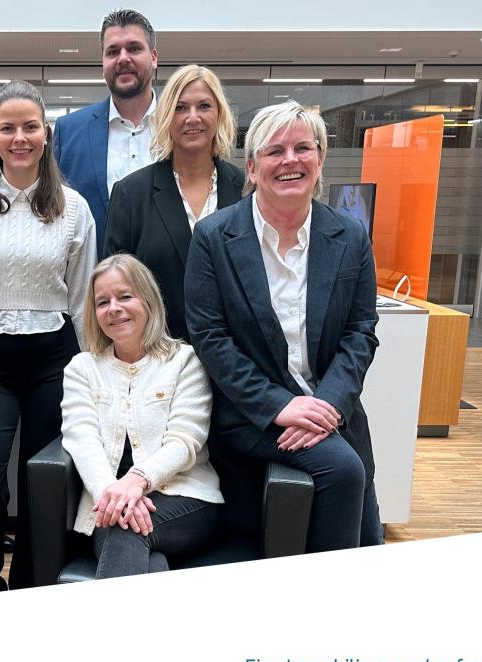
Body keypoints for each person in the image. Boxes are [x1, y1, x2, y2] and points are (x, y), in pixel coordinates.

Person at [186, 100, 383, 552]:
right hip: (252, 414)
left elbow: (361, 332)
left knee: (369, 539)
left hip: (333, 410)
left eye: (302, 148)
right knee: (343, 471)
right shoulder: (214, 237)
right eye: (275, 151)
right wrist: (281, 405)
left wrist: (327, 405)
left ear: (320, 160)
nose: (290, 160)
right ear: (252, 168)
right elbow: (211, 339)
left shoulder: (350, 236)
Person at [0, 80, 96, 590]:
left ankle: (34, 584)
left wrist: (95, 371)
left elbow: (83, 301)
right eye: (8, 128)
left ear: (46, 134)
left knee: (45, 477)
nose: (20, 138)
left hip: (56, 357)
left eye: (30, 127)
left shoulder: (74, 208)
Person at [62, 254, 223, 578]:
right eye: (102, 302)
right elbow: (82, 440)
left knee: (127, 529)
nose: (114, 308)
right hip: (108, 502)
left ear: (148, 300)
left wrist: (136, 483)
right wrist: (113, 493)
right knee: (139, 546)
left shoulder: (185, 361)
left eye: (125, 296)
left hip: (185, 497)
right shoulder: (82, 368)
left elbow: (185, 441)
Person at [104, 64, 244, 340]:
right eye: (180, 108)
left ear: (219, 114)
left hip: (234, 354)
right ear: (166, 116)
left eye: (204, 106)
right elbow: (114, 287)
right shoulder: (131, 194)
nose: (193, 117)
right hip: (156, 352)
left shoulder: (246, 189)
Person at [53, 8, 158, 249]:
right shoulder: (69, 132)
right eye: (112, 51)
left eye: (134, 48)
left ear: (153, 57)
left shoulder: (177, 126)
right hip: (91, 270)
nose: (123, 59)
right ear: (103, 62)